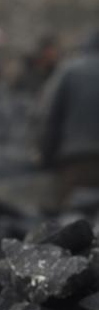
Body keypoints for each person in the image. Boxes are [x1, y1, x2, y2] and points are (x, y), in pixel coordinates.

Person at [38, 29, 99, 206]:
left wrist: (45, 155)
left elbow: (49, 117)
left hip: (75, 161)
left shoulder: (69, 71)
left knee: (72, 223)